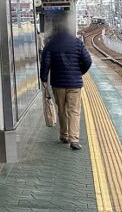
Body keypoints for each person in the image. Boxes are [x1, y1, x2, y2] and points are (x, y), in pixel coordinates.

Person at [39, 13, 92, 150]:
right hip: (74, 84)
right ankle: (74, 140)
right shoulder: (77, 42)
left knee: (61, 109)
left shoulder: (51, 44)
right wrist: (80, 72)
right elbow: (87, 60)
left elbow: (45, 63)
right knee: (74, 111)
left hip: (58, 83)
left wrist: (44, 78)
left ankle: (64, 134)